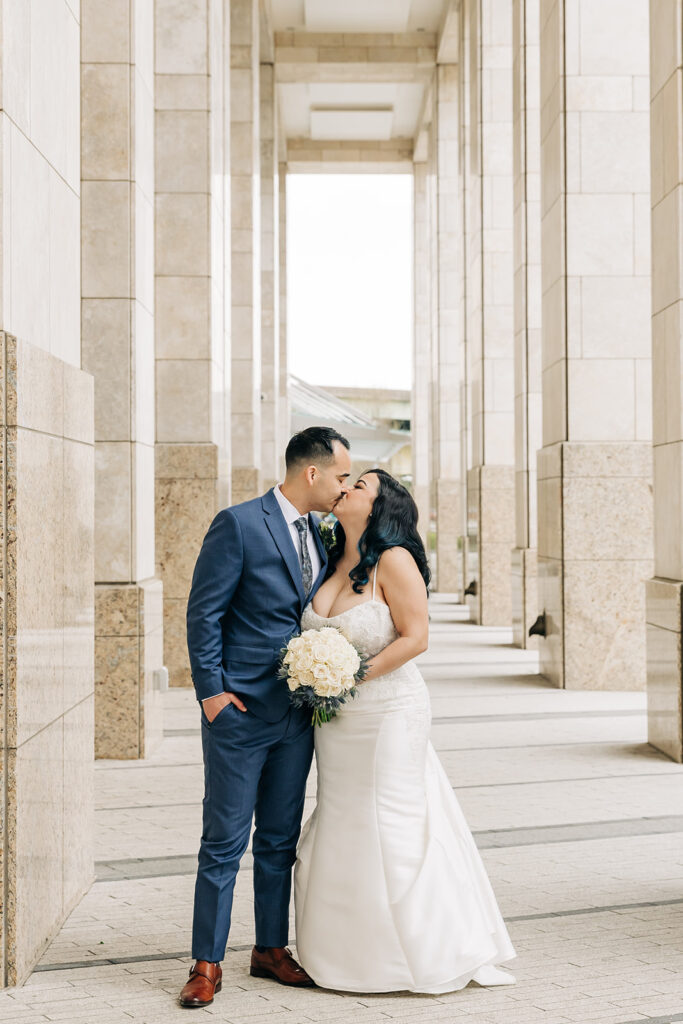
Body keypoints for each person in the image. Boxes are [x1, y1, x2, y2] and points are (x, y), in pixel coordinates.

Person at [294, 469, 516, 993]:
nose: (346, 487)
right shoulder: (331, 557)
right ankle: (346, 951)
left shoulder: (394, 559)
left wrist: (347, 679)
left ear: (378, 507)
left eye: (361, 485)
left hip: (390, 712)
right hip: (338, 721)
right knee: (343, 816)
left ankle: (418, 951)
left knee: (394, 819)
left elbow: (417, 638)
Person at [178, 426, 352, 1009]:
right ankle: (207, 963)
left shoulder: (324, 534)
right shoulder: (239, 524)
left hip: (296, 716)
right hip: (239, 714)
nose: (344, 487)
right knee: (223, 842)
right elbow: (204, 614)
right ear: (312, 473)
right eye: (340, 476)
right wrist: (212, 697)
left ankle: (270, 950)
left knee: (278, 841)